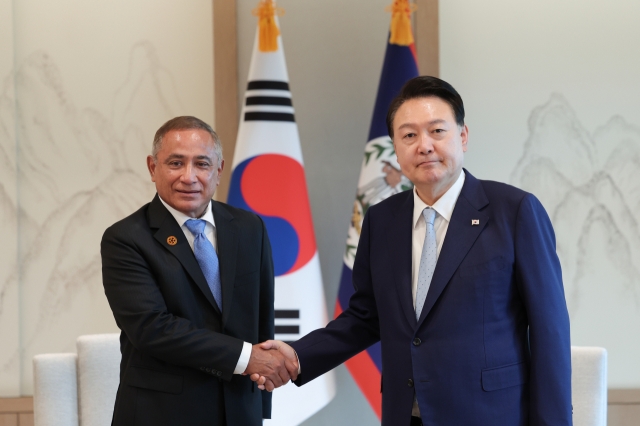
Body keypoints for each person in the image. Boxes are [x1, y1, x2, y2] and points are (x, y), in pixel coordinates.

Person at [253, 77, 572, 425]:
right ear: (395, 146)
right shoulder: (382, 220)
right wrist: (299, 356)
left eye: (437, 131)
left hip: (491, 414)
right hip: (407, 414)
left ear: (463, 135)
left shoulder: (514, 211)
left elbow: (549, 328)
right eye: (409, 135)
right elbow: (366, 316)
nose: (424, 146)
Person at [101, 116, 297, 426]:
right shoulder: (125, 238)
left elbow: (261, 318)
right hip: (161, 413)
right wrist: (248, 358)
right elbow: (153, 329)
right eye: (176, 163)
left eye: (202, 164)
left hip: (239, 410)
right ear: (153, 168)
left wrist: (261, 400)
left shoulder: (249, 228)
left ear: (218, 170)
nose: (189, 177)